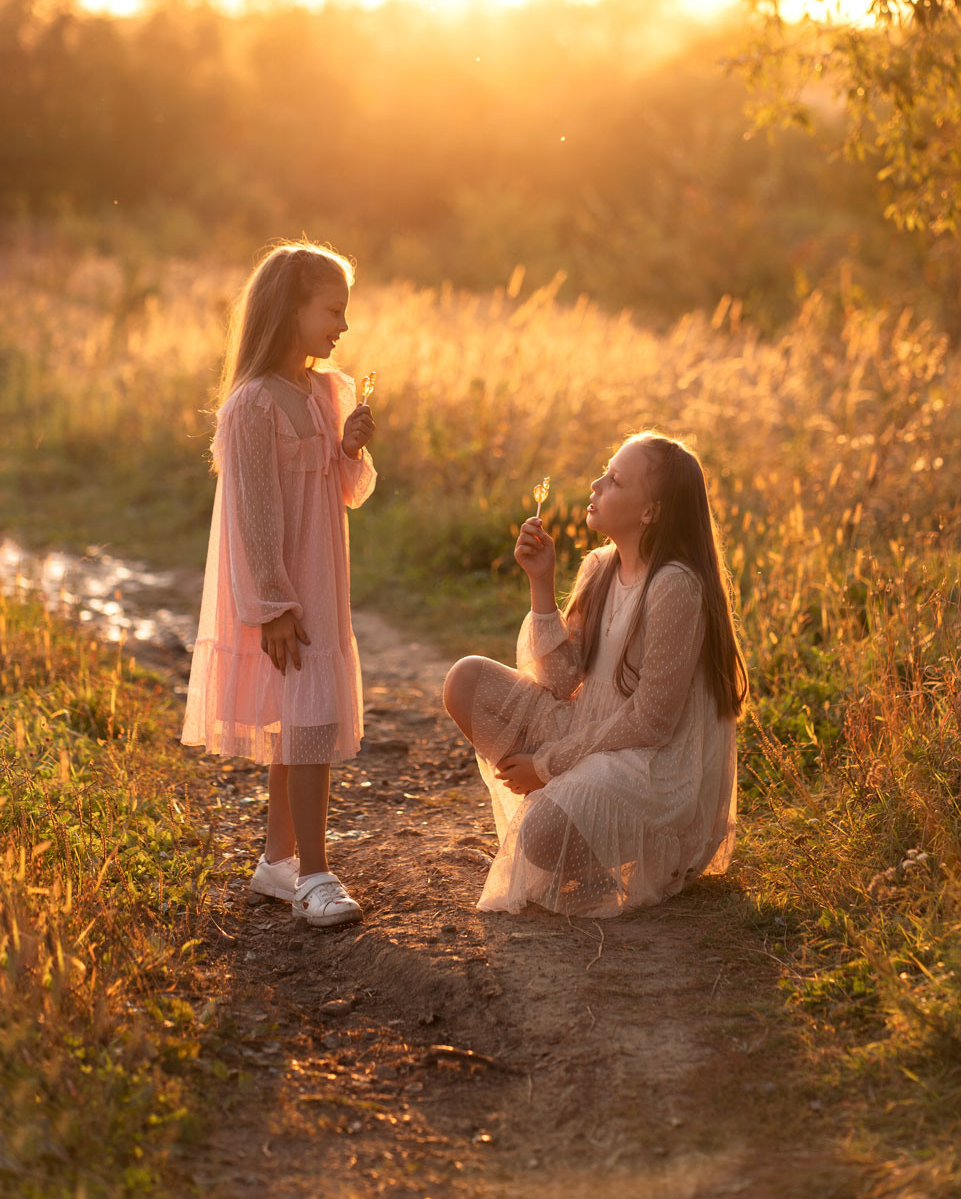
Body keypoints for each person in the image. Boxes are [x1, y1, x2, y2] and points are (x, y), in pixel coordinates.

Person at [443, 433, 746, 917]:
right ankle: (572, 828)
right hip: (591, 728)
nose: (595, 484)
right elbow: (561, 681)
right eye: (604, 472)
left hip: (648, 765)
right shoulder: (601, 566)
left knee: (540, 832)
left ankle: (575, 841)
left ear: (650, 512)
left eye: (614, 480)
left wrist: (547, 766)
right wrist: (541, 581)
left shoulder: (674, 587)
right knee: (465, 681)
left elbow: (652, 724)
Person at [182, 241, 376, 929]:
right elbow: (252, 515)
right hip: (286, 591)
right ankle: (316, 876)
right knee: (312, 725)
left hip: (322, 581)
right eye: (334, 310)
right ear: (291, 307)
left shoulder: (326, 391)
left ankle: (277, 861)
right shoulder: (253, 405)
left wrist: (348, 447)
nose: (343, 326)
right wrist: (271, 605)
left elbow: (344, 491)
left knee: (302, 724)